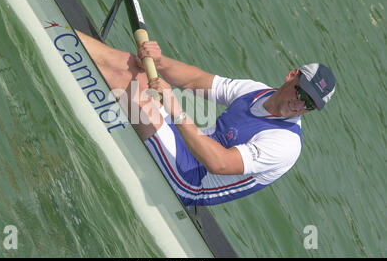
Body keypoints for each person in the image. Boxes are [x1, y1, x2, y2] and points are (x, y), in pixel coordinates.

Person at [76, 31, 336, 206]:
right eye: (302, 92)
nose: (300, 104)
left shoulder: (286, 143)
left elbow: (219, 163)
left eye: (310, 105)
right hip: (186, 149)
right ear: (292, 75)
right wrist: (159, 61)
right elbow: (195, 80)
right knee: (132, 65)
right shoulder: (254, 90)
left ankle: (60, 40)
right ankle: (52, 26)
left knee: (130, 83)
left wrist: (175, 110)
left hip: (188, 181)